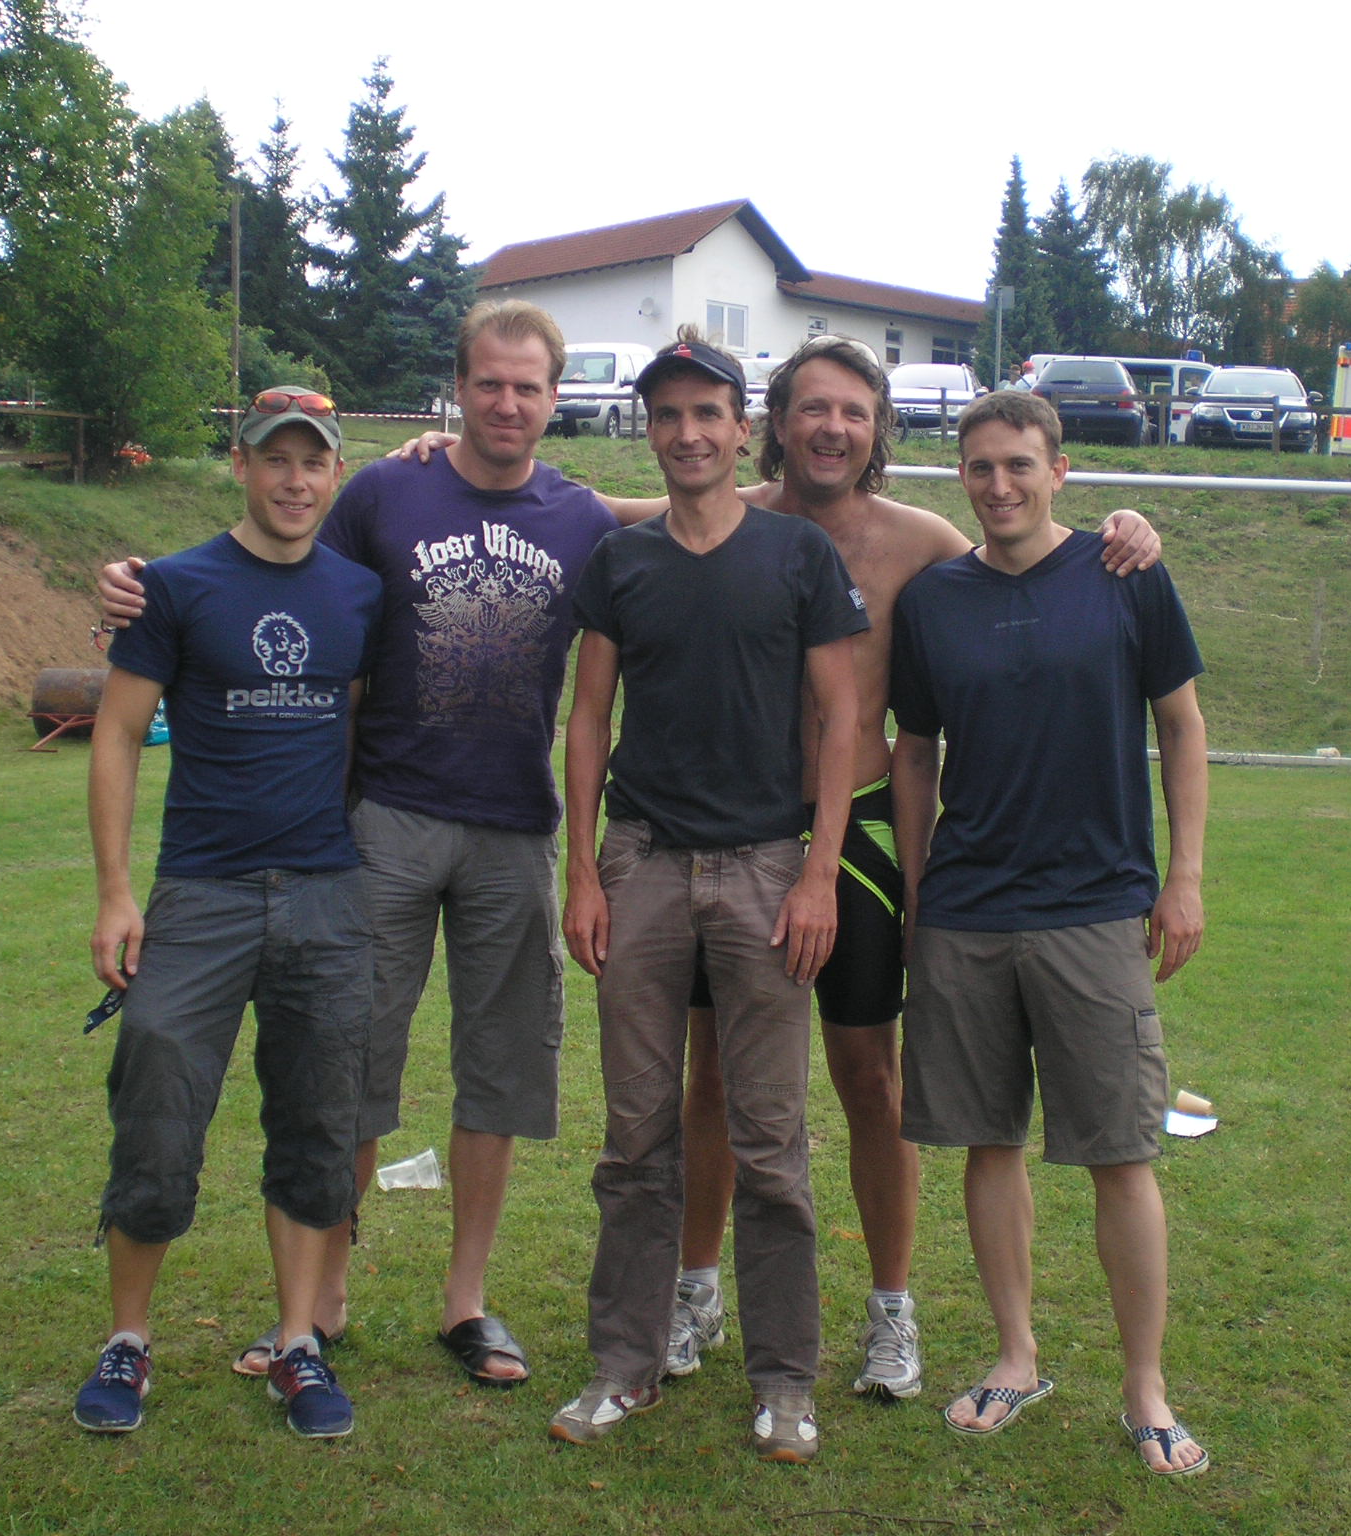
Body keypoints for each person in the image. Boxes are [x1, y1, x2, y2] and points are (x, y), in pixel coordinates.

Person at [388, 339, 1165, 1404]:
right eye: (812, 409)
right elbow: (590, 507)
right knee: (714, 1075)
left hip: (852, 843)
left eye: (852, 410)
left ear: (876, 425)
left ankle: (890, 1310)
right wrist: (460, 452)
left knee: (866, 1076)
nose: (830, 429)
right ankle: (696, 1287)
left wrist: (1124, 530)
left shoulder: (921, 542)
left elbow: (1023, 544)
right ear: (775, 421)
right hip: (727, 834)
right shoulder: (724, 504)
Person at [97, 300, 619, 1387]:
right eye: (488, 383)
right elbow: (274, 566)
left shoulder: (585, 519)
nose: (507, 403)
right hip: (379, 819)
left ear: (555, 400)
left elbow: (689, 503)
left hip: (515, 826)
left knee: (500, 1071)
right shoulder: (382, 488)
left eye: (527, 387)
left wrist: (784, 493)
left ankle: (466, 1303)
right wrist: (134, 587)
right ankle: (319, 1304)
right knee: (349, 1065)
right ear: (458, 390)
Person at [554, 330, 864, 1463]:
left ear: (746, 428)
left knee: (769, 1140)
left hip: (764, 872)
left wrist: (819, 871)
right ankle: (621, 1366)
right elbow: (588, 717)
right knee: (635, 1138)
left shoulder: (794, 557)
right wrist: (582, 867)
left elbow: (841, 721)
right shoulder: (621, 563)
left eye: (708, 414)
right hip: (639, 865)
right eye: (667, 416)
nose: (688, 434)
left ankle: (785, 1382)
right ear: (652, 430)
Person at [888, 389, 1210, 1474]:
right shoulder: (934, 599)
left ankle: (1144, 1386)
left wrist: (1184, 880)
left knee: (1118, 1153)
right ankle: (1014, 1355)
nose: (998, 485)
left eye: (1018, 464)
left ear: (1058, 470)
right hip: (967, 916)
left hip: (1095, 910)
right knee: (989, 1142)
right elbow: (914, 750)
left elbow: (1180, 724)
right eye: (979, 467)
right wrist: (922, 891)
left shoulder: (1124, 572)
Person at [74, 387, 382, 1439]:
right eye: (275, 460)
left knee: (316, 1122)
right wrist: (117, 894)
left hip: (326, 896)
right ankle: (127, 1340)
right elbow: (116, 732)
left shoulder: (358, 594)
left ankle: (298, 1345)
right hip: (199, 894)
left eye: (313, 463)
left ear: (333, 475)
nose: (295, 480)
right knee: (157, 1099)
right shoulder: (174, 586)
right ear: (240, 467)